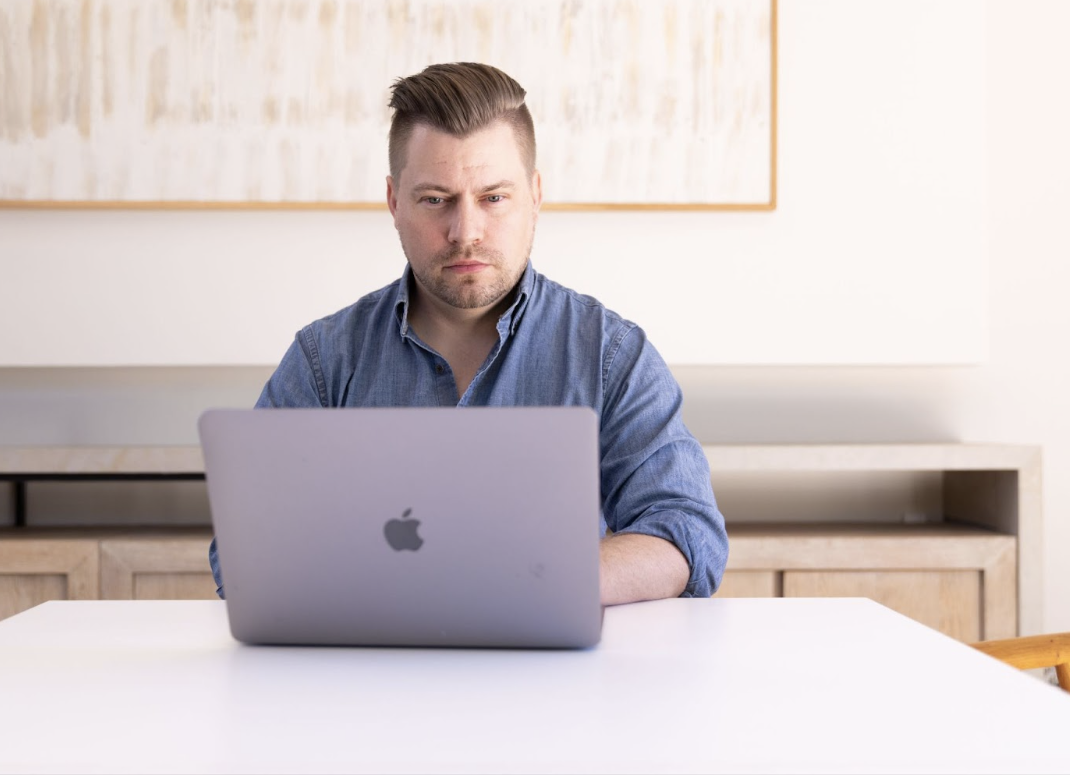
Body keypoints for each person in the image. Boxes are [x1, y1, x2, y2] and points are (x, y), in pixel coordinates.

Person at [209, 62, 727, 604]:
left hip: (548, 653)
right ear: (394, 201)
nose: (466, 232)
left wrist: (532, 580)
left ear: (535, 195)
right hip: (368, 656)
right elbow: (243, 548)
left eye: (493, 198)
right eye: (436, 199)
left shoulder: (609, 354)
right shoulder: (324, 359)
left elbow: (686, 533)